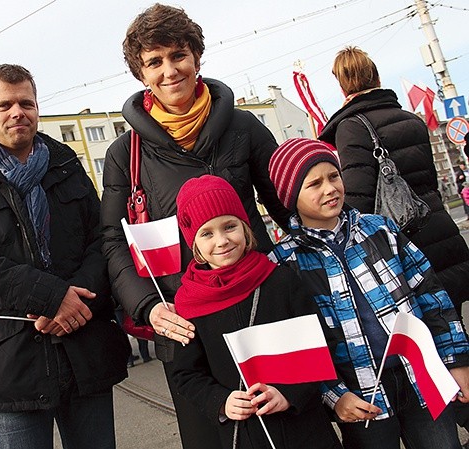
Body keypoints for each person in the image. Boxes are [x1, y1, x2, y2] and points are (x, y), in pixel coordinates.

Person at [100, 5, 290, 447]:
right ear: (141, 74)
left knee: (288, 426)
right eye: (154, 61)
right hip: (183, 324)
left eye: (178, 55)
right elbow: (111, 241)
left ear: (197, 58)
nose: (170, 71)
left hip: (258, 307)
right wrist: (148, 307)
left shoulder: (243, 126)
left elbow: (286, 207)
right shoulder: (123, 155)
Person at [0, 64, 130, 449]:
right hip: (11, 365)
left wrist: (76, 303)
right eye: (4, 104)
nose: (17, 112)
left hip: (83, 348)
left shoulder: (68, 167)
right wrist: (52, 298)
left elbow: (102, 241)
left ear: (37, 108)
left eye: (26, 102)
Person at [268, 138, 469, 449]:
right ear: (291, 196)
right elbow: (297, 348)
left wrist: (456, 359)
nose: (330, 189)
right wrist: (334, 396)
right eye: (315, 184)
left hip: (420, 379)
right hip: (360, 397)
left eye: (333, 176)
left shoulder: (380, 230)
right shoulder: (284, 262)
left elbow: (432, 297)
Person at [170, 175, 342, 449]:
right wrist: (220, 401)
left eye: (229, 227)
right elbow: (187, 374)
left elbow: (322, 347)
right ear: (195, 244)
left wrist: (289, 395)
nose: (222, 241)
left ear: (245, 227)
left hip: (306, 431)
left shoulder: (281, 281)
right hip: (245, 436)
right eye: (207, 233)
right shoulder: (189, 303)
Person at [318, 46, 469, 329]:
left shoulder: (351, 127)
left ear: (341, 85)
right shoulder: (412, 121)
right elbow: (429, 182)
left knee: (427, 343)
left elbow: (359, 199)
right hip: (439, 231)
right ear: (376, 77)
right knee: (455, 331)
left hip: (400, 245)